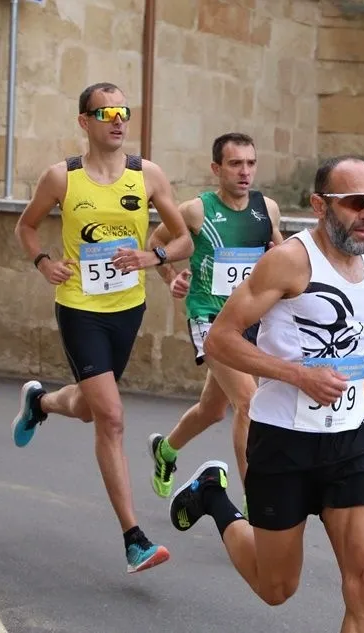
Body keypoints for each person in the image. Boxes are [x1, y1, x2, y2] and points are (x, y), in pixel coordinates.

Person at [167, 156, 364, 632]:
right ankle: (213, 498)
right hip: (283, 441)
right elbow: (221, 338)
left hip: (349, 439)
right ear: (320, 205)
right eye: (355, 202)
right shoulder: (289, 261)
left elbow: (359, 321)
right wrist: (299, 375)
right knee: (276, 588)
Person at [9, 81, 194, 574]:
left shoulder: (147, 175)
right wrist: (44, 262)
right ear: (84, 122)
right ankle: (134, 539)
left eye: (122, 112)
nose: (117, 121)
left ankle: (41, 403)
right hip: (79, 307)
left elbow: (183, 240)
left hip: (128, 308)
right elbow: (25, 226)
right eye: (105, 113)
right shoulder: (62, 178)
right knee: (111, 417)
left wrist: (153, 256)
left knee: (91, 410)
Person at [143, 133, 285, 511]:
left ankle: (166, 450)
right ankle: (254, 502)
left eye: (250, 163)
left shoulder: (267, 209)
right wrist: (170, 277)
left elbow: (282, 255)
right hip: (209, 316)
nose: (244, 172)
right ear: (216, 169)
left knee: (212, 410)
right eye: (235, 164)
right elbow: (156, 243)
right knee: (249, 403)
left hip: (250, 318)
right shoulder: (196, 211)